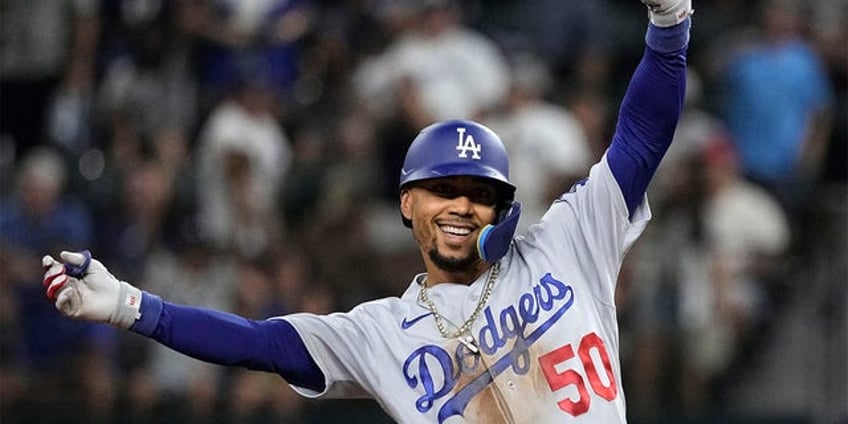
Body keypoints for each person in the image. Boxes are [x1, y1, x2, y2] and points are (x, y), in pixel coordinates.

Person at [41, 1, 692, 422]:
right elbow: (258, 343)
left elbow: (638, 140)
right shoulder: (384, 330)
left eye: (482, 189)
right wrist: (133, 307)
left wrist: (669, 28)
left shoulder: (566, 242)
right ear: (409, 203)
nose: (464, 204)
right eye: (446, 189)